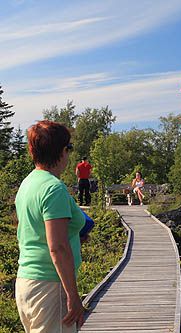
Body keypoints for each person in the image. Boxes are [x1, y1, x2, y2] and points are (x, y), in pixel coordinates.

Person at [15, 120, 86, 332]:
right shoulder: (53, 188)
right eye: (69, 148)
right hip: (50, 286)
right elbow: (57, 248)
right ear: (62, 151)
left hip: (26, 283)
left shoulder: (28, 183)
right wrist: (73, 297)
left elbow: (35, 232)